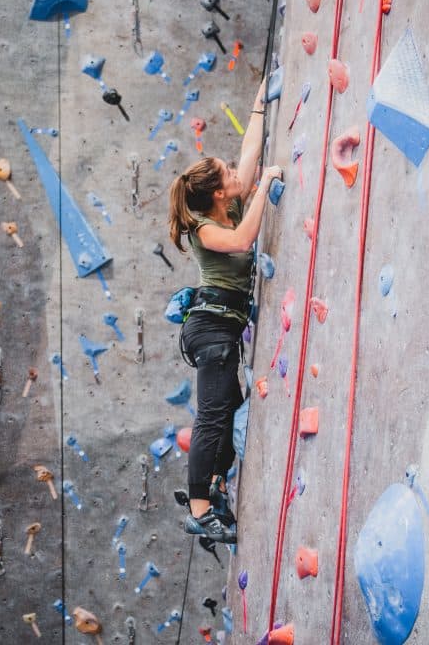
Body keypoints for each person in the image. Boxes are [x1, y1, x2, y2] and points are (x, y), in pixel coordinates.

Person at [166, 78, 283, 543]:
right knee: (214, 416)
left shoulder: (227, 205)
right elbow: (241, 242)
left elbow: (250, 155)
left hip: (219, 330)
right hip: (211, 329)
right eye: (227, 173)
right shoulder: (206, 230)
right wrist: (267, 184)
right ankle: (198, 508)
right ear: (218, 193)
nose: (238, 172)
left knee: (229, 412)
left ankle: (212, 486)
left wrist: (258, 101)